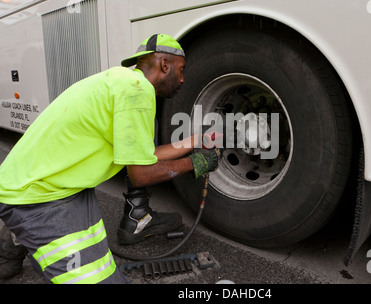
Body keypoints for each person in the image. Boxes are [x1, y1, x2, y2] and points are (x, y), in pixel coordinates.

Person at [0, 34, 221, 284]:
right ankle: (26, 228)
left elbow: (142, 156)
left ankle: (12, 245)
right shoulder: (137, 91)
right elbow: (141, 173)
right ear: (164, 65)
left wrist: (195, 142)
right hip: (42, 197)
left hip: (36, 181)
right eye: (181, 70)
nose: (182, 79)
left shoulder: (121, 82)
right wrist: (197, 163)